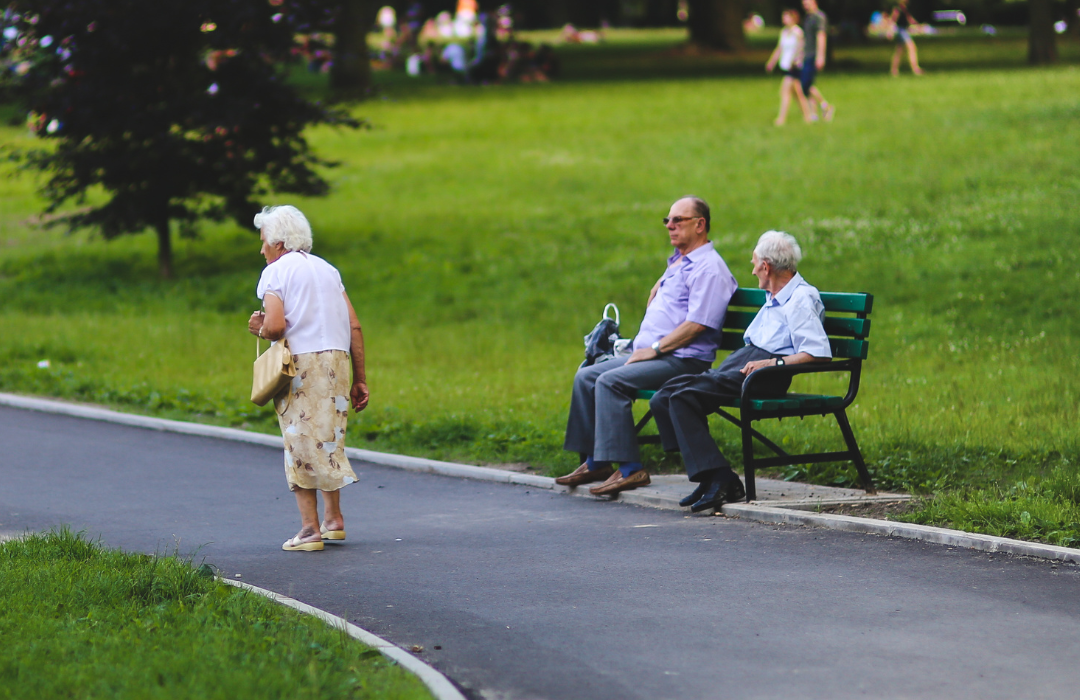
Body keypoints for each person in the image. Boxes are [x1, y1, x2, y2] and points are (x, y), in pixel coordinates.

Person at [556, 197, 738, 497]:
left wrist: (654, 349)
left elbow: (699, 325)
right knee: (586, 375)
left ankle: (630, 469)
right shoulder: (680, 262)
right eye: (667, 220)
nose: (669, 226)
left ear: (700, 224)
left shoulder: (709, 268)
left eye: (678, 220)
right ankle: (597, 461)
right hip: (656, 354)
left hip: (682, 359)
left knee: (610, 382)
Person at [649, 231, 831, 513]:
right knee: (665, 395)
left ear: (766, 267)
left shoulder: (800, 298)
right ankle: (709, 475)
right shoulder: (776, 295)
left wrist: (773, 364)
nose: (752, 269)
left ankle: (721, 478)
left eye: (754, 263)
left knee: (683, 397)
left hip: (765, 374)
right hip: (747, 363)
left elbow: (817, 352)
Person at [247, 206, 370, 552]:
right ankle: (334, 521)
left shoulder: (275, 272)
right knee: (328, 439)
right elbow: (355, 326)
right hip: (337, 360)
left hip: (301, 364)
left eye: (263, 242)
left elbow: (274, 326)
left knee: (299, 441)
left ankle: (309, 530)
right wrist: (360, 379)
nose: (261, 250)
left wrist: (258, 327)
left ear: (278, 242)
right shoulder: (328, 270)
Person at [765, 9, 812, 125]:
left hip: (794, 66)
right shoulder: (784, 32)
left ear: (793, 18)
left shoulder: (798, 32)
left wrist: (794, 60)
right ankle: (808, 117)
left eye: (786, 17)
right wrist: (772, 62)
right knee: (798, 94)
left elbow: (800, 48)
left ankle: (781, 119)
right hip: (785, 65)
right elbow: (779, 48)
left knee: (784, 92)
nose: (784, 19)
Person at [800, 0, 835, 122]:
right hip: (806, 54)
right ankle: (813, 114)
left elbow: (821, 36)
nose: (804, 4)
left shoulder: (819, 17)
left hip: (813, 55)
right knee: (809, 84)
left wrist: (820, 56)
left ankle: (825, 106)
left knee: (805, 85)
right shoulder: (808, 17)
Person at [889, 0, 924, 76]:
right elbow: (893, 20)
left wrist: (918, 26)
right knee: (912, 47)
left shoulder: (905, 9)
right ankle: (915, 68)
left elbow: (910, 19)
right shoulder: (898, 8)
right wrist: (890, 31)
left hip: (903, 30)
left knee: (899, 51)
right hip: (901, 31)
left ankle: (894, 70)